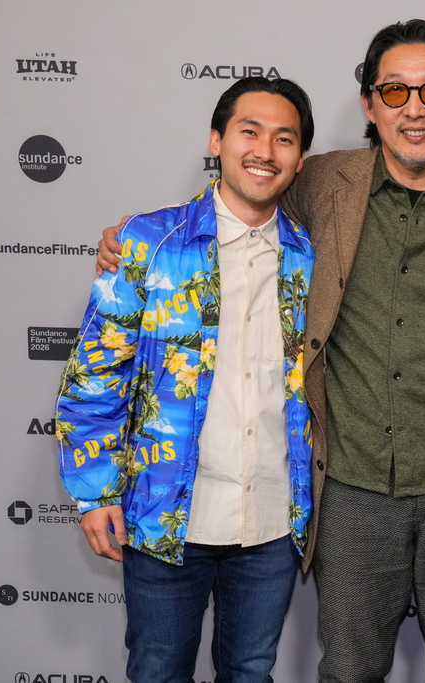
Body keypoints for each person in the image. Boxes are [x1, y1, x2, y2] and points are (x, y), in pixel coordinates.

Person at [96, 19, 425, 683]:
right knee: (347, 668)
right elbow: (235, 200)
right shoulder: (319, 184)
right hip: (350, 485)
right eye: (395, 91)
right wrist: (129, 241)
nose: (415, 109)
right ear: (370, 104)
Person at [56, 76, 316, 682]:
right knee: (157, 670)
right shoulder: (149, 242)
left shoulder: (312, 255)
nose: (265, 151)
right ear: (216, 140)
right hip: (166, 510)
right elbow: (95, 373)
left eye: (284, 139)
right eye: (249, 132)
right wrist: (95, 491)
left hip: (273, 518)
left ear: (300, 159)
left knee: (250, 670)